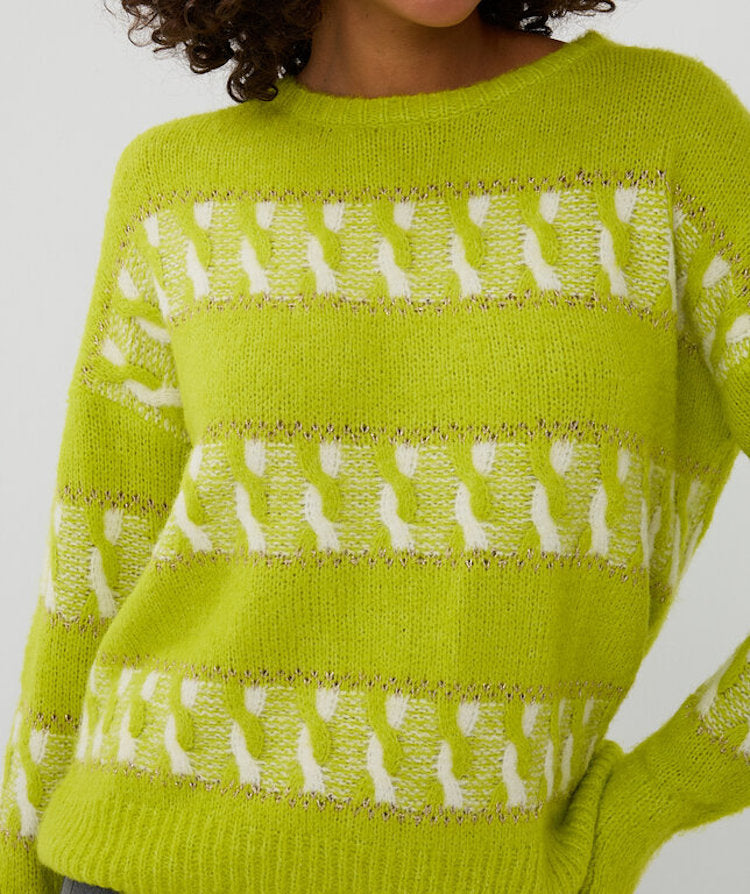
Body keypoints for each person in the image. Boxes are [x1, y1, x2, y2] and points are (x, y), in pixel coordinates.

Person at [1, 1, 749, 892]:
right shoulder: (177, 185)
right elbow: (94, 566)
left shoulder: (663, 139)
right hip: (133, 858)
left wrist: (648, 805)